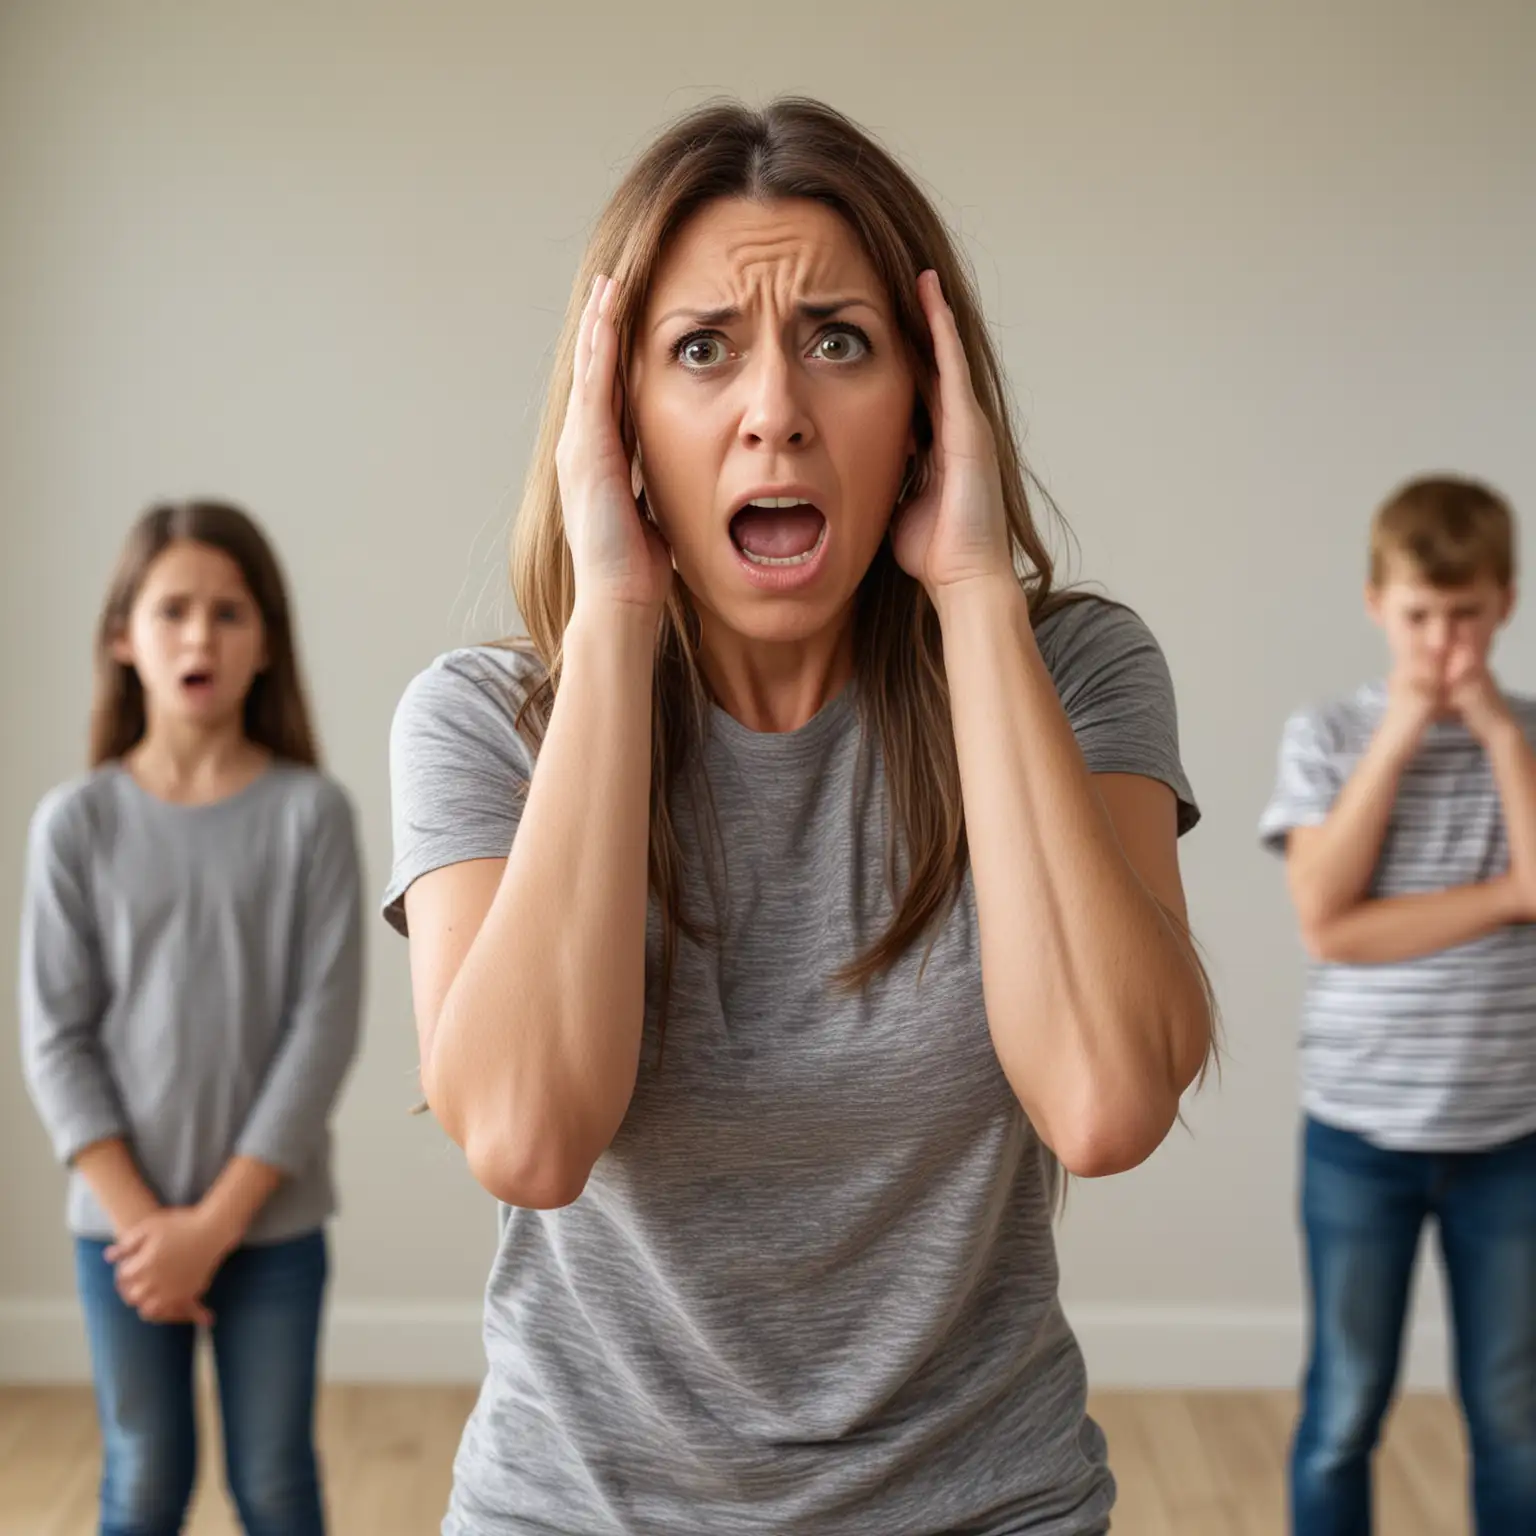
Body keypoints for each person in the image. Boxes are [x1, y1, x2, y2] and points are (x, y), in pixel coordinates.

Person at [386, 97, 1216, 1536]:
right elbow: (528, 1137)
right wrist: (618, 604)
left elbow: (1106, 1102)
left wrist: (970, 590)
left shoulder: (1074, 675)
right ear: (619, 416)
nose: (774, 406)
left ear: (926, 406)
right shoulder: (482, 725)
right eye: (701, 350)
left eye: (840, 340)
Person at [20, 501, 363, 1536]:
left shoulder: (313, 815)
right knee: (141, 1482)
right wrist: (148, 1231)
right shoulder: (75, 825)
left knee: (274, 1484)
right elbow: (55, 1041)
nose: (200, 636)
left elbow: (323, 1030)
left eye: (228, 612)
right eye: (172, 611)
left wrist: (211, 1229)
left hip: (271, 1227)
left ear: (267, 644)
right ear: (124, 638)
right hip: (119, 1239)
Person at [1259, 476, 1536, 1534]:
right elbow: (1327, 921)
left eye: (1466, 616)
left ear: (1504, 604)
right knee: (1343, 1404)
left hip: (1512, 1136)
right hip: (1358, 1135)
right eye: (1422, 616)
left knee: (1514, 1413)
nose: (1444, 642)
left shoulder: (1532, 740)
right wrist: (1502, 897)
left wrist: (1501, 737)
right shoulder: (1327, 736)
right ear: (1379, 603)